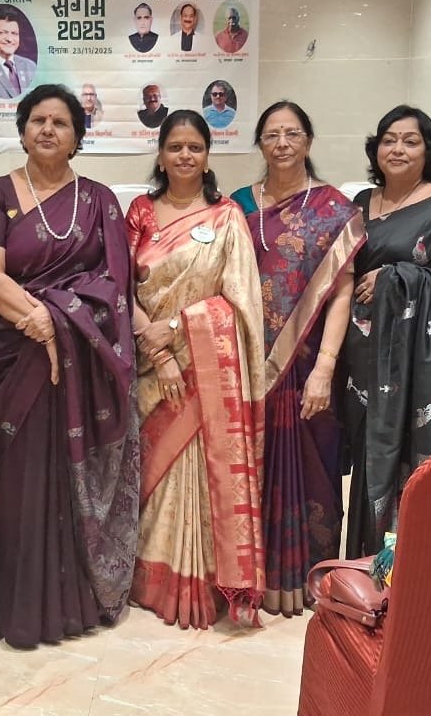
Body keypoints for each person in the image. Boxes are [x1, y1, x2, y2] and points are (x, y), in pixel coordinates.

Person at [0, 84, 138, 649]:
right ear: (21, 130)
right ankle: (18, 604)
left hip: (79, 363)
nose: (47, 129)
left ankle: (74, 602)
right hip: (17, 354)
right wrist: (39, 321)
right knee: (18, 480)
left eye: (60, 122)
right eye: (37, 120)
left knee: (72, 478)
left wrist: (60, 322)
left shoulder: (99, 200)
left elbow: (115, 285)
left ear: (76, 137)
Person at [126, 110, 265, 630]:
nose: (185, 155)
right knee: (155, 477)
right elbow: (120, 288)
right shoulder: (140, 212)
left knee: (199, 473)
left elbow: (240, 302)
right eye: (175, 147)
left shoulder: (227, 217)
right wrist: (159, 352)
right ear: (161, 156)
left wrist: (179, 329)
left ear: (207, 156)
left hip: (206, 369)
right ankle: (150, 582)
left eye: (195, 147)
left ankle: (200, 582)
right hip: (149, 364)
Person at [230, 102, 366, 616]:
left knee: (315, 468)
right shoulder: (237, 205)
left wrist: (326, 367)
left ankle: (308, 574)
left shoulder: (334, 209)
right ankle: (251, 575)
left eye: (292, 133)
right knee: (249, 465)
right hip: (247, 363)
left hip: (309, 366)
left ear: (308, 140)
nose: (282, 143)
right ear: (260, 143)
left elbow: (342, 291)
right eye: (272, 134)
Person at [342, 105, 431, 558]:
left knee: (406, 462)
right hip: (360, 358)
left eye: (410, 141)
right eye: (389, 140)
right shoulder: (360, 203)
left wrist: (397, 277)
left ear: (429, 151)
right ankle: (363, 564)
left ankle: (407, 571)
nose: (397, 149)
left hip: (413, 366)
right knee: (366, 460)